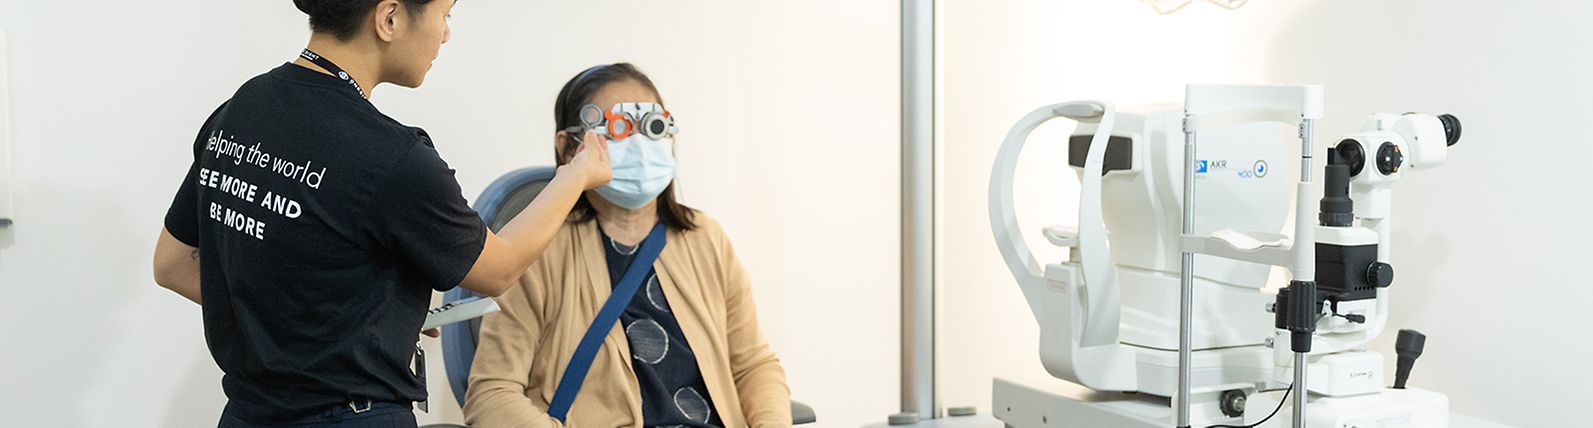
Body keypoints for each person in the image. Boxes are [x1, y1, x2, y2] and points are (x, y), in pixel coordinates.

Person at [150, 1, 612, 426]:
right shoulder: (392, 157)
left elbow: (172, 264)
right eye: (444, 14)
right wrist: (576, 175)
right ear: (389, 18)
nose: (446, 34)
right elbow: (498, 268)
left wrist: (360, 327)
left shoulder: (241, 110)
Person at [463, 63, 791, 428]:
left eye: (653, 127)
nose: (640, 146)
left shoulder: (706, 238)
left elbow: (753, 365)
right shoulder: (536, 251)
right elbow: (492, 394)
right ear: (569, 148)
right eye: (617, 130)